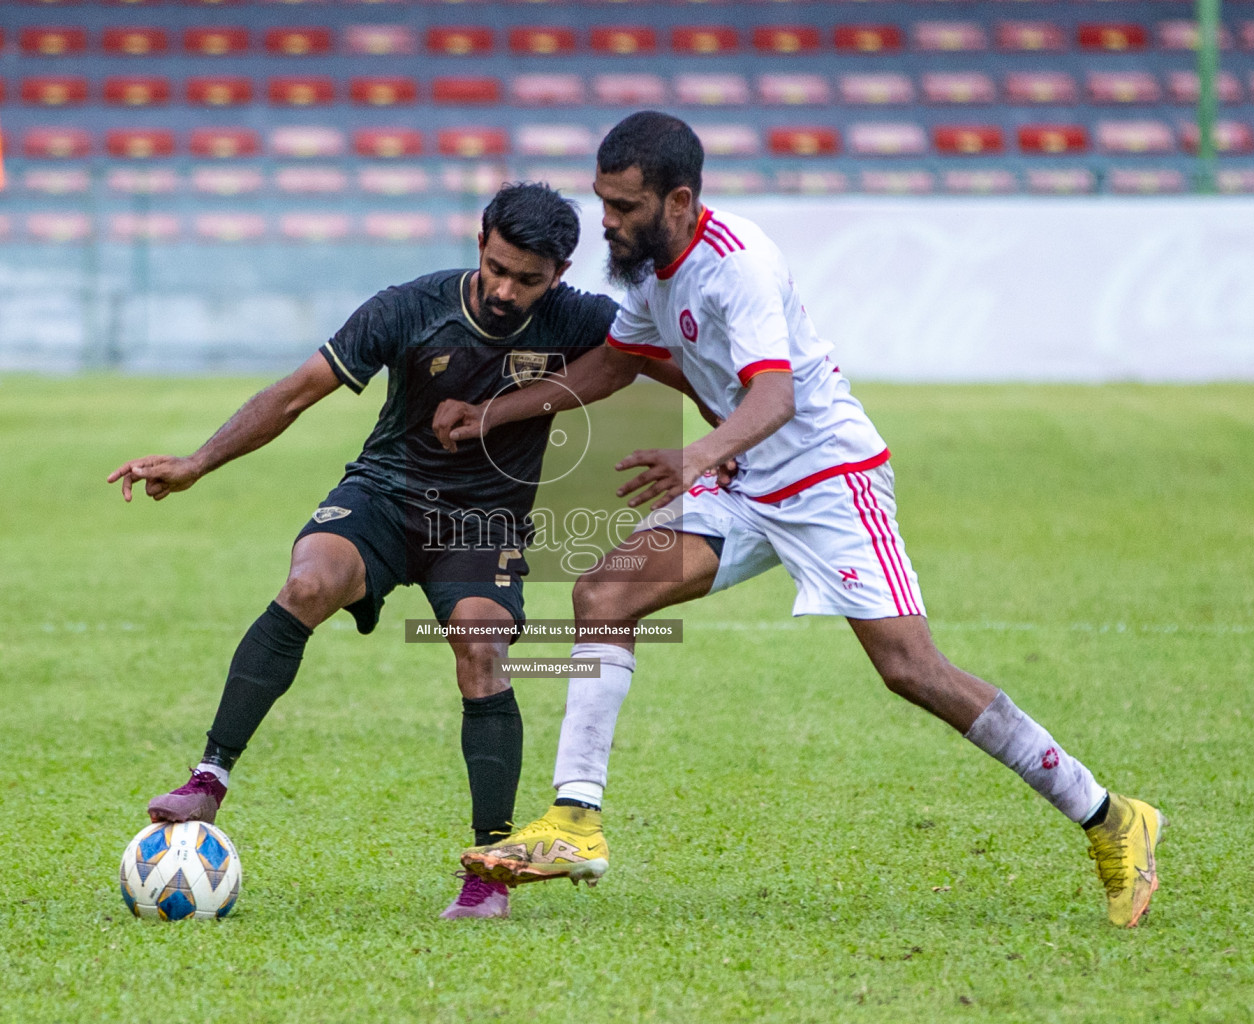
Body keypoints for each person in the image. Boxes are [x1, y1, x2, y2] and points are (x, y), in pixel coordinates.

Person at [433, 113, 1166, 928]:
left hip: (826, 480)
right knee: (604, 594)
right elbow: (614, 363)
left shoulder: (736, 266)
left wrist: (697, 454)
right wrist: (494, 413)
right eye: (603, 200)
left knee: (911, 670)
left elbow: (775, 399)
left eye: (624, 205)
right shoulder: (645, 269)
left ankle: (1109, 815)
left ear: (678, 200)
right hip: (742, 478)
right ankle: (574, 820)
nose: (606, 220)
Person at [107, 183, 620, 920]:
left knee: (481, 650)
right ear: (480, 243)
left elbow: (663, 358)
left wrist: (725, 444)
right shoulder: (410, 308)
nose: (507, 290)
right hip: (385, 492)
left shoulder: (581, 319)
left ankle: (488, 874)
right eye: (499, 268)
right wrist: (196, 462)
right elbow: (294, 393)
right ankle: (208, 778)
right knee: (310, 582)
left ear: (561, 274)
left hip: (484, 522)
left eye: (528, 280)